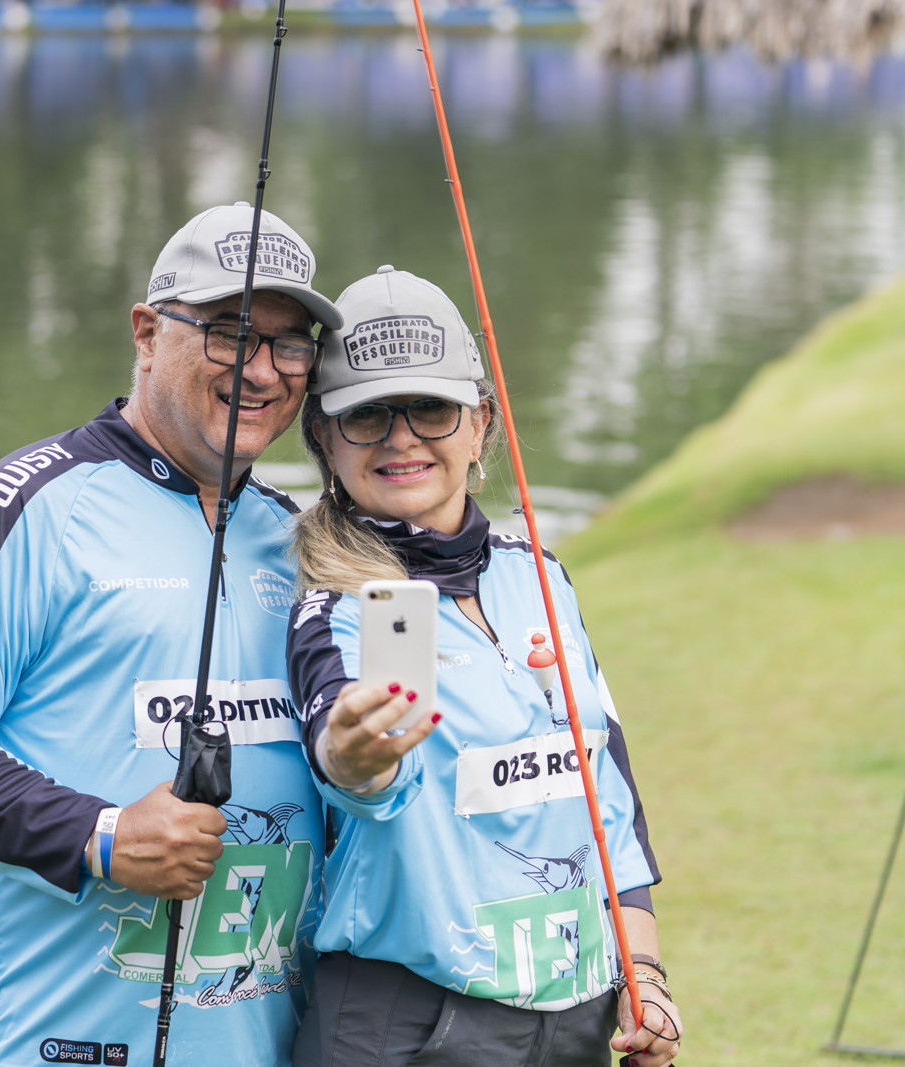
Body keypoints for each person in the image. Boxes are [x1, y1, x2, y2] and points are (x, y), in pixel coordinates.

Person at [0, 203, 342, 1067]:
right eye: (231, 332)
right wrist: (99, 834)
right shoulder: (27, 506)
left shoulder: (301, 540)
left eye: (290, 342)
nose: (264, 370)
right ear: (147, 330)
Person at [286, 266, 683, 1067]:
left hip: (575, 1014)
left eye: (430, 407)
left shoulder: (542, 573)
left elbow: (608, 796)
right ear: (324, 439)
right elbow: (350, 765)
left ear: (482, 425)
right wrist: (356, 758)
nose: (401, 436)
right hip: (405, 1027)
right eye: (366, 414)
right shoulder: (333, 609)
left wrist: (641, 968)